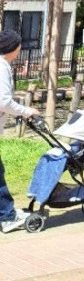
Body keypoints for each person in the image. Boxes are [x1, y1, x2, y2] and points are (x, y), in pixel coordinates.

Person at [0, 29, 38, 233]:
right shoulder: (1, 66)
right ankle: (7, 217)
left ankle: (7, 213)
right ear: (14, 48)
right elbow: (3, 101)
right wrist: (26, 111)